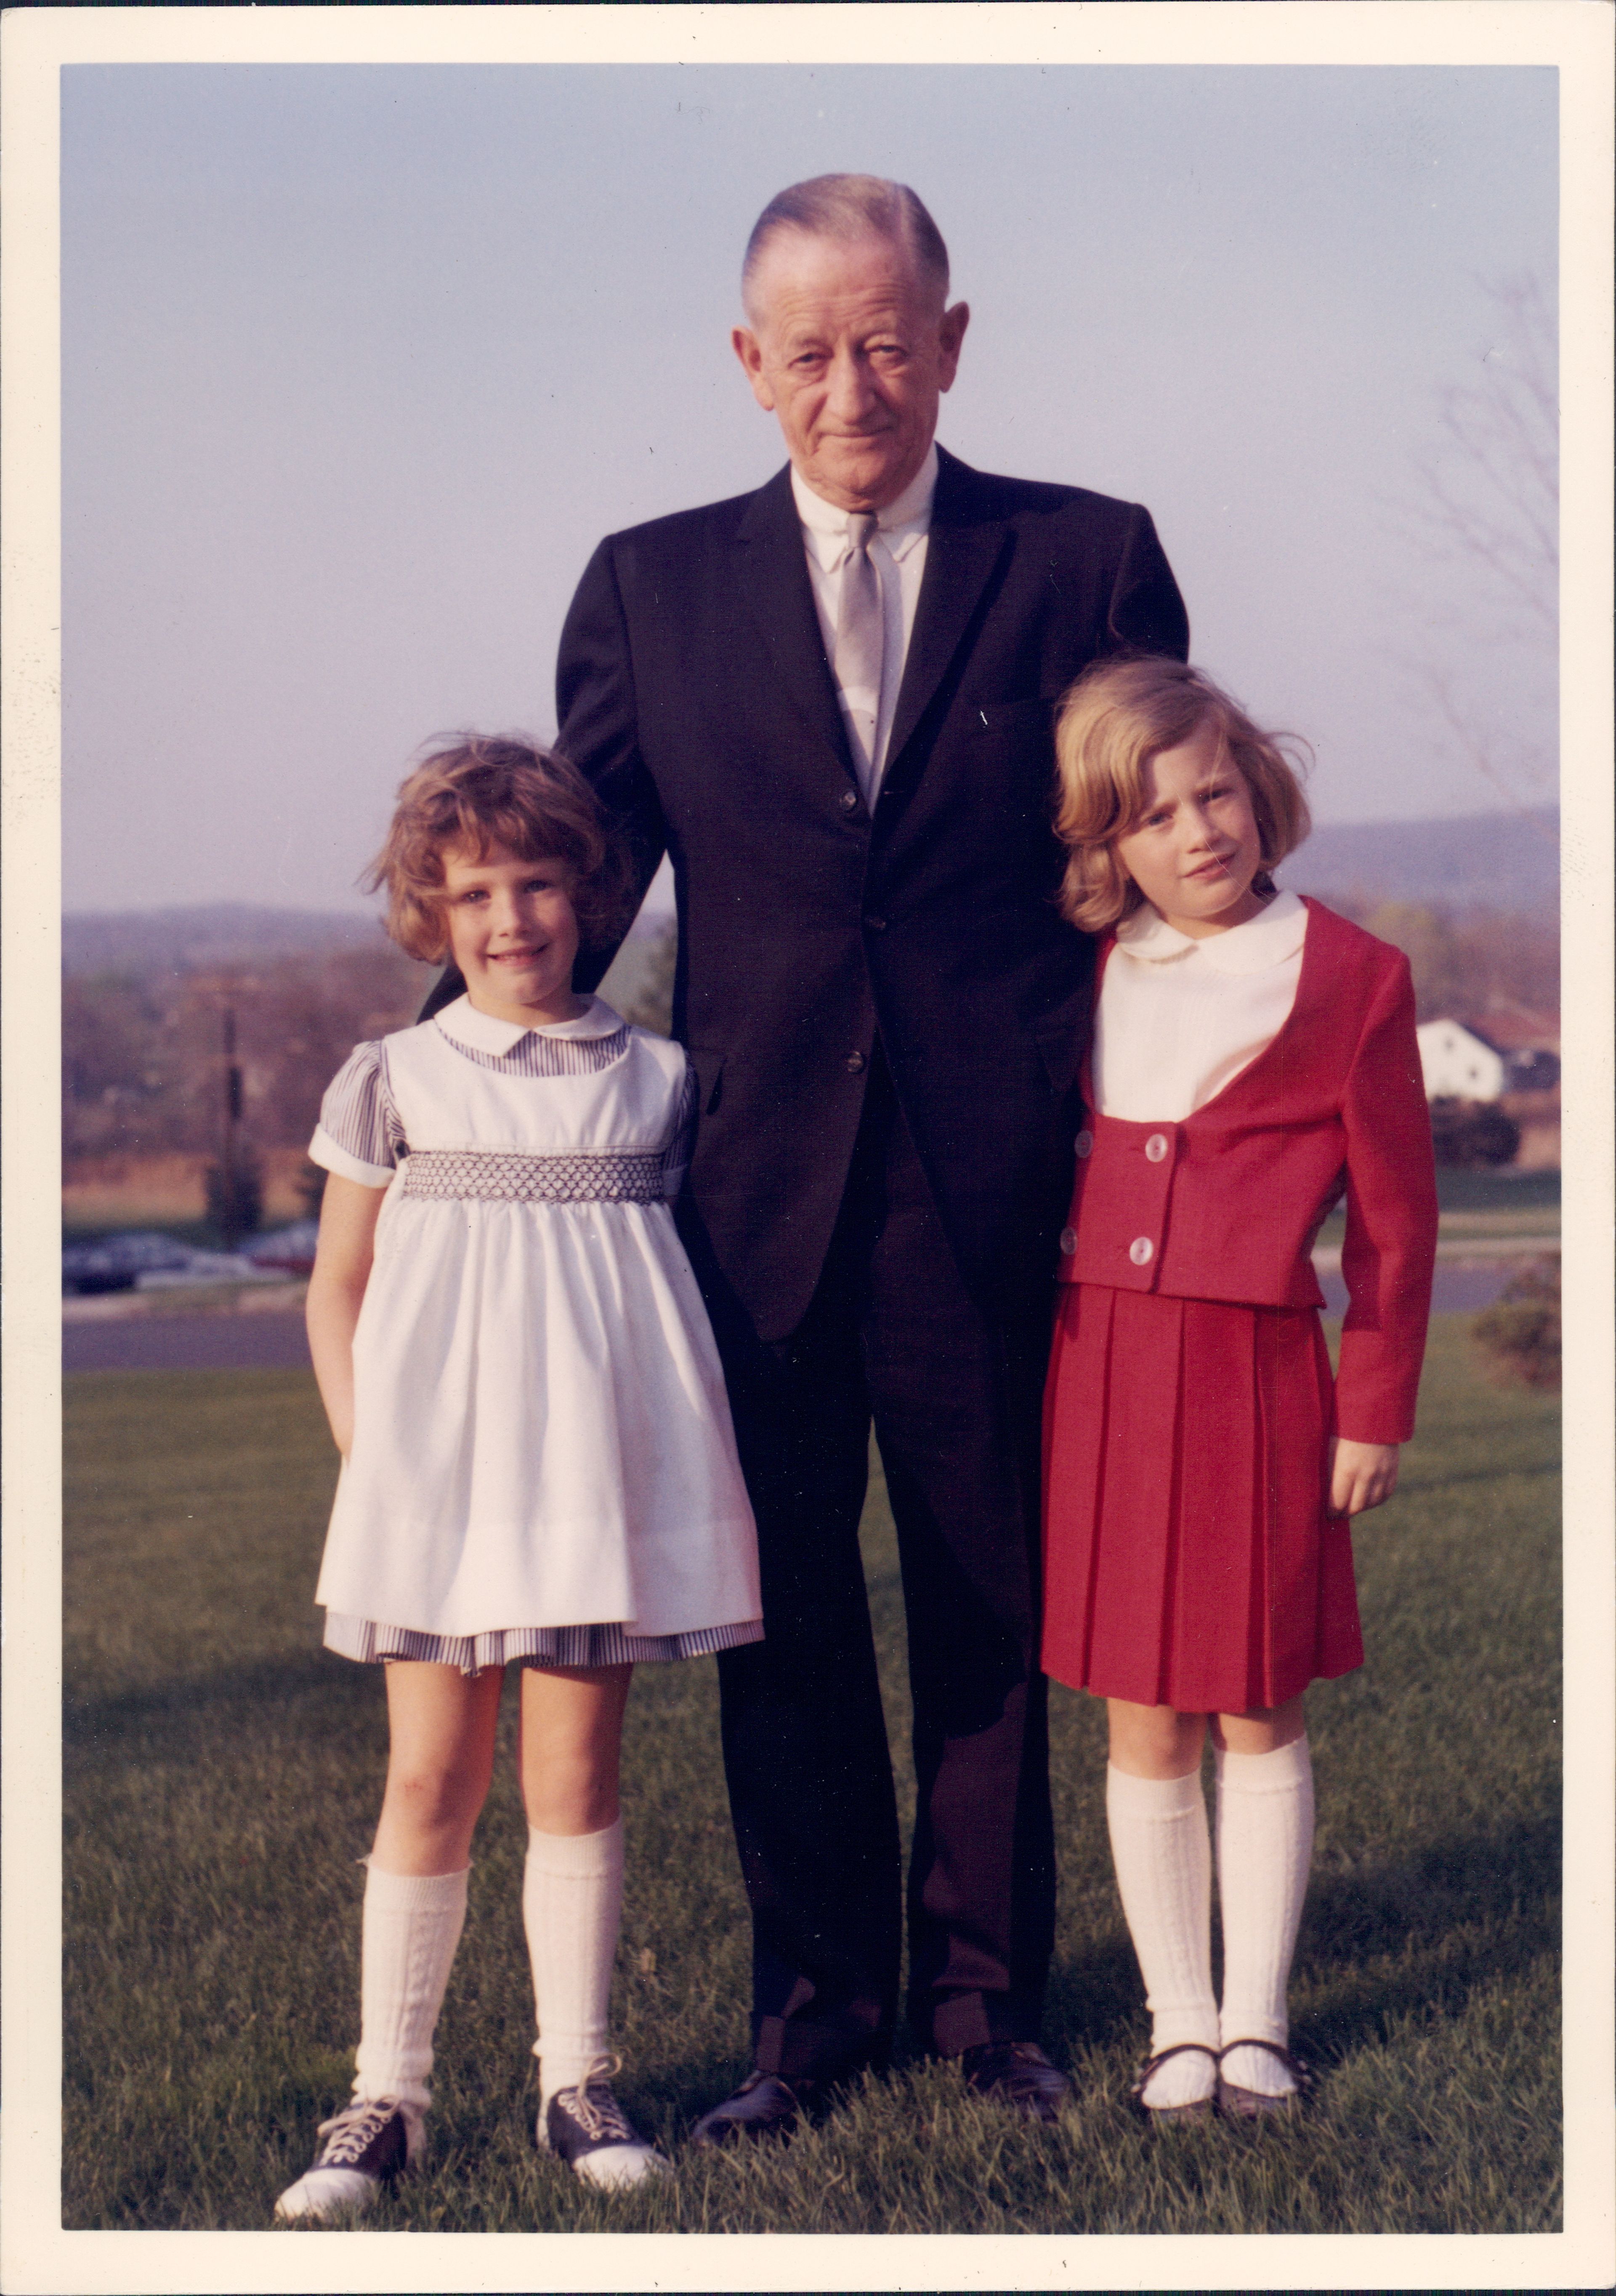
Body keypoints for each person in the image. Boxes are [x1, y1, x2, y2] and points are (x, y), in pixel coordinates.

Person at [532, 175, 1191, 2136]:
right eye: (809, 350)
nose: (854, 385)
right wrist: (433, 1088)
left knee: (993, 1600)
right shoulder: (646, 586)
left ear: (955, 341)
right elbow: (573, 888)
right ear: (748, 368)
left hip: (1002, 1175)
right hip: (754, 1198)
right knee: (788, 1611)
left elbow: (1151, 871)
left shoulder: (1087, 562)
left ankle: (992, 2010)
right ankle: (809, 2021)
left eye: (890, 340)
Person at [274, 739, 761, 2219]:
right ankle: (388, 2097)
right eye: (474, 891)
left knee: (575, 1778)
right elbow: (335, 1290)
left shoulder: (661, 1081)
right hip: (435, 1499)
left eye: (539, 884)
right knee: (428, 1779)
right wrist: (377, 1465)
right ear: (431, 908)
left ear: (589, 892)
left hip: (592, 1497)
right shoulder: (396, 1079)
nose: (511, 919)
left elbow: (650, 1297)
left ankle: (578, 2078)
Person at [1039, 656, 1438, 2120]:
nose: (1196, 832)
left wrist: (1375, 1405)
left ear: (1258, 786)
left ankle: (1259, 2019)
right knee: (1141, 1710)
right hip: (1102, 1370)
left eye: (1214, 792)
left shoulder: (1354, 978)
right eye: (1152, 818)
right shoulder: (1090, 967)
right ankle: (1176, 2021)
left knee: (1258, 1701)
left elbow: (1398, 1222)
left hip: (1262, 1375)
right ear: (1110, 848)